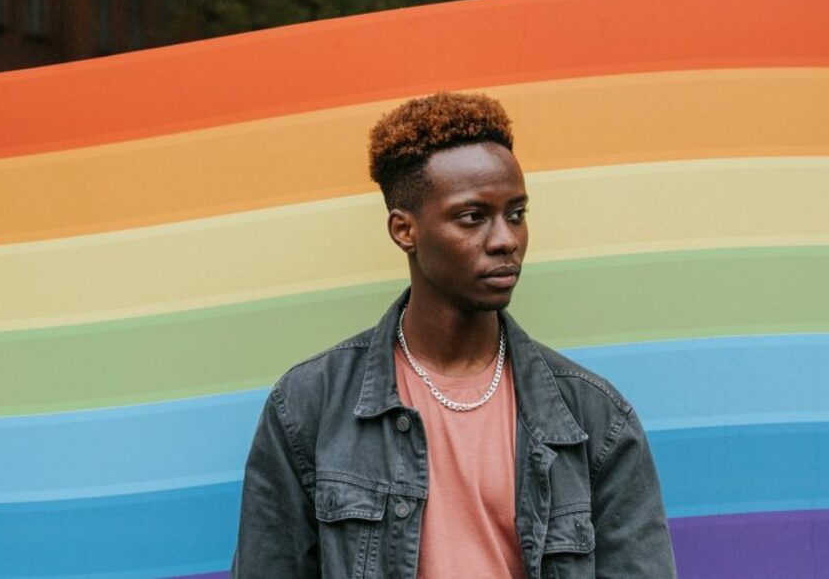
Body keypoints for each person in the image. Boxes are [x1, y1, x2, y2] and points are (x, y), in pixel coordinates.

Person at [232, 92, 676, 578]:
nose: (505, 239)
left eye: (516, 213)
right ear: (405, 230)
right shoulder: (309, 406)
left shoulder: (593, 418)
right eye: (473, 217)